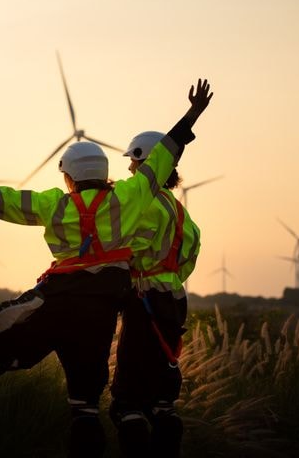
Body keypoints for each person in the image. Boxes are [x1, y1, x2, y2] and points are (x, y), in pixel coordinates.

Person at [0, 79, 213, 458]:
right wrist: (192, 115)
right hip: (130, 293)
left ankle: (13, 338)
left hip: (72, 284)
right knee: (116, 381)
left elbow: (12, 201)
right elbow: (164, 157)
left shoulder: (55, 204)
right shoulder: (131, 198)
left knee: (43, 321)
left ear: (68, 176)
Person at [109, 131, 201, 458]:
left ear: (143, 160)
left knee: (127, 400)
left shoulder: (145, 204)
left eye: (133, 160)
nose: (130, 167)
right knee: (163, 399)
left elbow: (130, 247)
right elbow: (190, 253)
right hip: (174, 299)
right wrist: (168, 280)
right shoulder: (178, 210)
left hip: (144, 298)